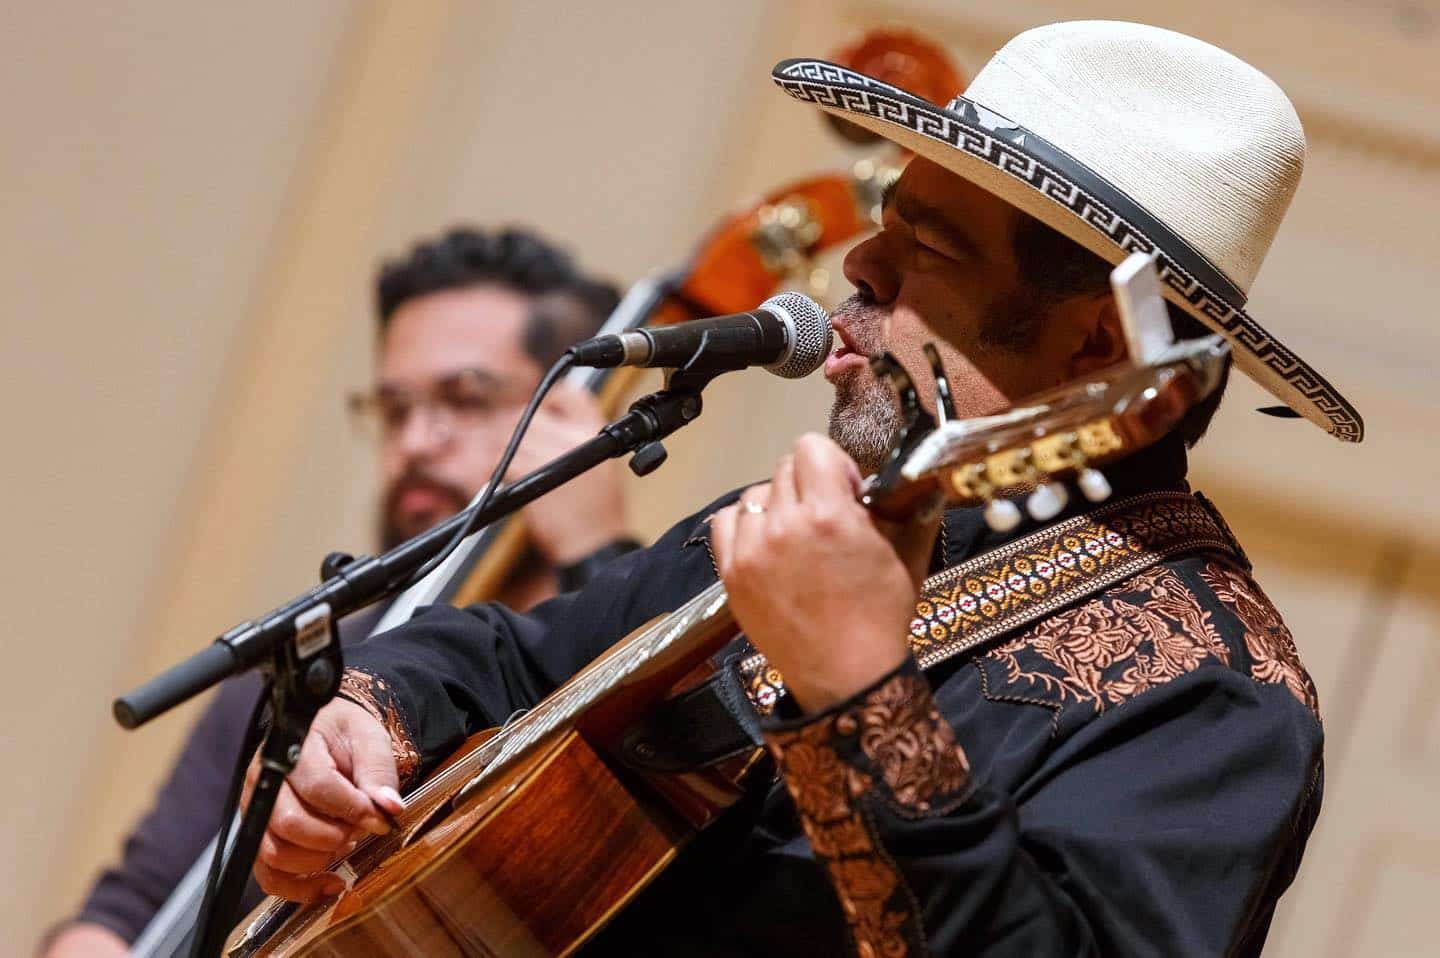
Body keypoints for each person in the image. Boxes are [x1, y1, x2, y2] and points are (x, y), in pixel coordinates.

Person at [255, 21, 1366, 956]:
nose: (861, 268)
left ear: (1097, 347)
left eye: (927, 243)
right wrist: (371, 715)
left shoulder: (1222, 696)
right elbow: (504, 656)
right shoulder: (818, 521)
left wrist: (862, 691)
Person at [42, 227, 637, 957]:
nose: (416, 442)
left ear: (571, 415)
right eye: (395, 408)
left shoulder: (638, 633)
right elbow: (129, 908)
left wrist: (596, 551)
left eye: (465, 398)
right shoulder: (311, 660)